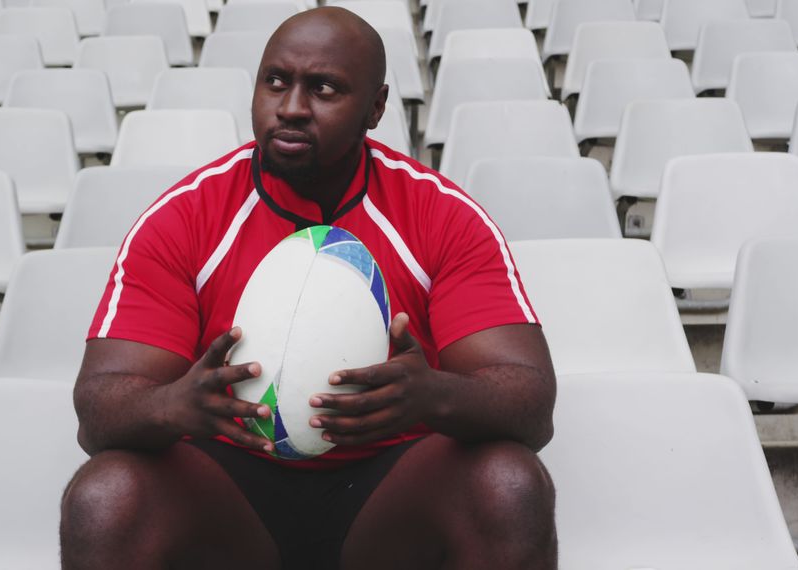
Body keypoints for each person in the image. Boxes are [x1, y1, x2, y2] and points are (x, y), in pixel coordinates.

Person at [60, 7, 558, 569]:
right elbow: (97, 410)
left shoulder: (442, 216)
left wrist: (433, 395)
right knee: (105, 498)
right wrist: (174, 404)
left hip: (390, 495)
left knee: (508, 484)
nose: (291, 108)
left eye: (324, 88)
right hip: (230, 493)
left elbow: (530, 404)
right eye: (276, 81)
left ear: (375, 107)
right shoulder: (184, 218)